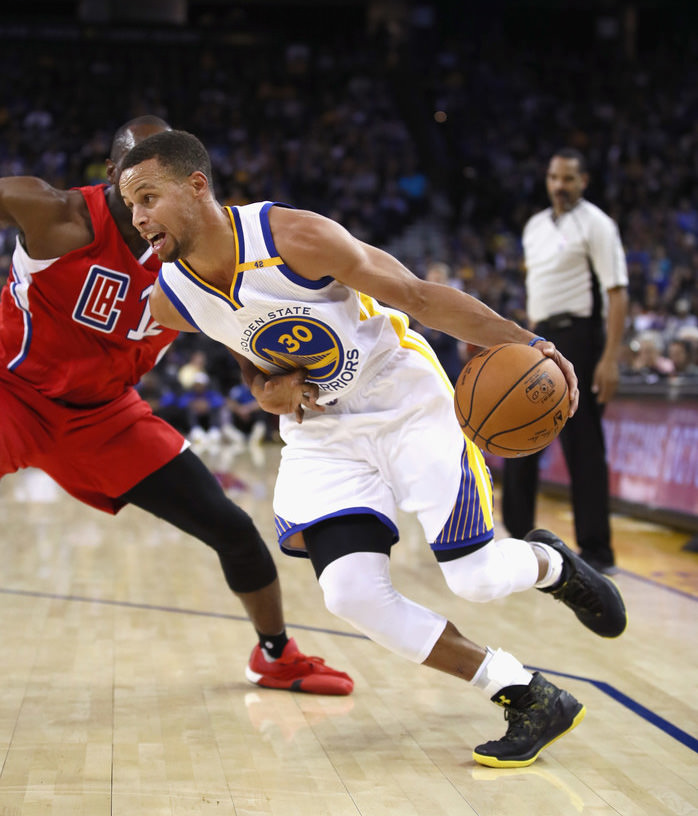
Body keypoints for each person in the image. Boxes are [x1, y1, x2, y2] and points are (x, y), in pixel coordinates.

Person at [118, 129, 628, 769]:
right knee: (350, 592)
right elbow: (250, 351)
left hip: (404, 400)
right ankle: (522, 692)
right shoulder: (172, 298)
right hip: (323, 432)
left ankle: (551, 565)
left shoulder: (294, 238)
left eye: (148, 197)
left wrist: (527, 342)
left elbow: (417, 297)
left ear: (197, 187)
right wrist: (267, 391)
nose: (137, 217)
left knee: (473, 579)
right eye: (129, 204)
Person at [0, 116, 353, 697]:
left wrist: (266, 380)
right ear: (113, 176)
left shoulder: (192, 246)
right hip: (17, 395)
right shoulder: (57, 215)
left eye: (162, 185)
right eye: (137, 186)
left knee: (233, 528)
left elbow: (237, 323)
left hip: (106, 415)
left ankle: (276, 655)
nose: (149, 206)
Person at [501, 148, 629, 575]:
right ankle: (518, 539)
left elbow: (617, 293)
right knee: (519, 435)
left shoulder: (597, 224)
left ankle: (597, 550)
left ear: (583, 181)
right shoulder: (535, 226)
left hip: (582, 335)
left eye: (569, 179)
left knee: (584, 448)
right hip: (540, 339)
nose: (560, 185)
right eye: (554, 177)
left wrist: (609, 358)